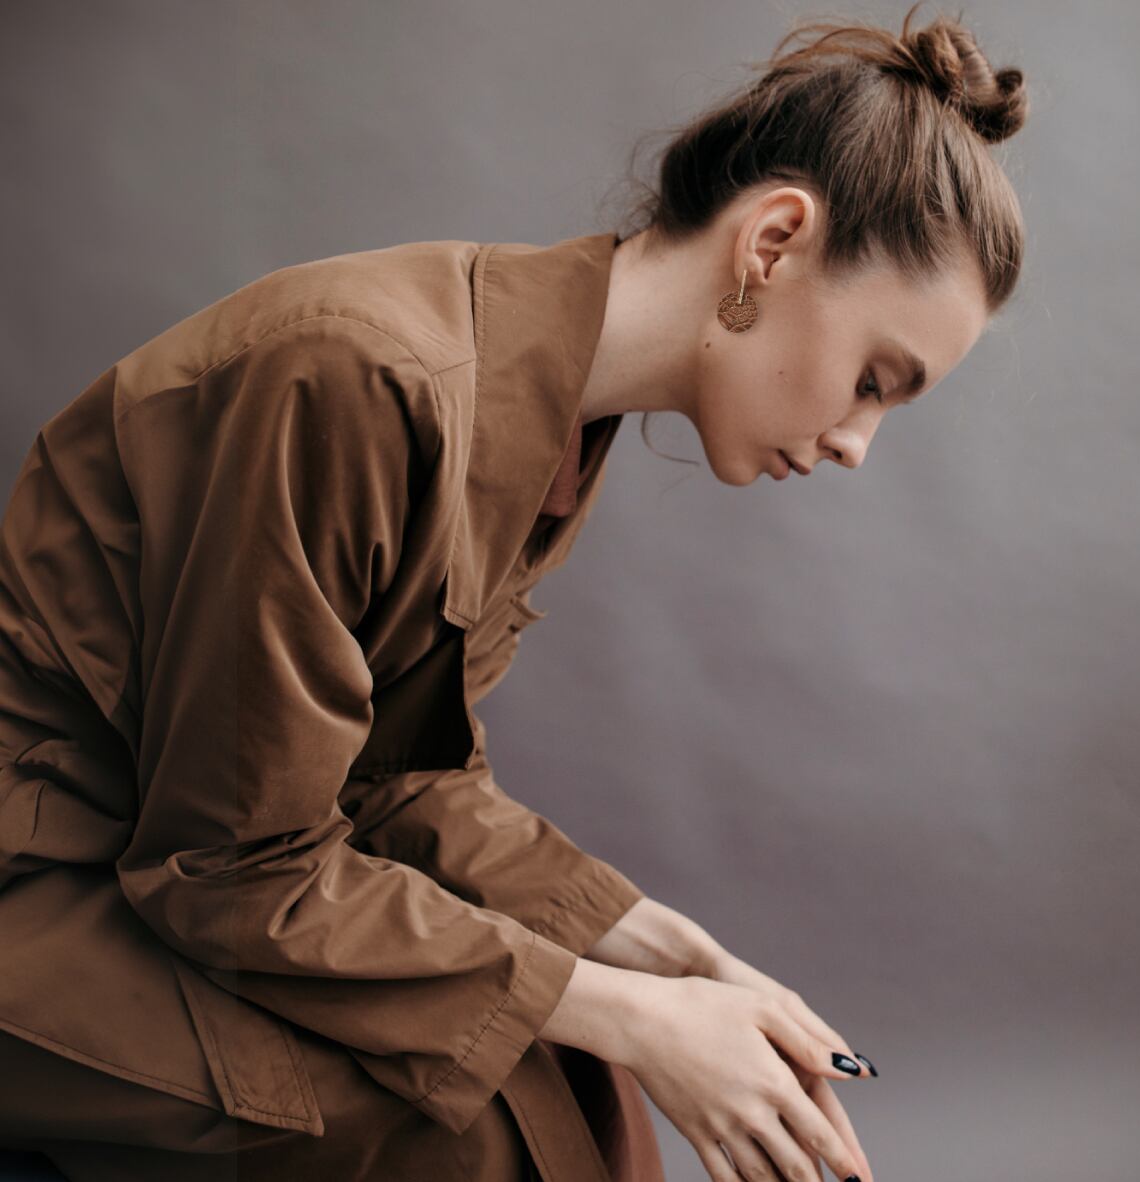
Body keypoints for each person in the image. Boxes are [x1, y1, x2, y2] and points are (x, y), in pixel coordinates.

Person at [0, 5, 1027, 1181]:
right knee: (484, 1121)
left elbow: (395, 777)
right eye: (875, 380)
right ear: (774, 242)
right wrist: (630, 1013)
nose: (855, 444)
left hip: (162, 863)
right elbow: (231, 864)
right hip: (48, 886)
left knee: (573, 1070)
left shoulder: (545, 423)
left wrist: (675, 962)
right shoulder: (366, 378)